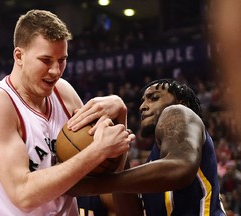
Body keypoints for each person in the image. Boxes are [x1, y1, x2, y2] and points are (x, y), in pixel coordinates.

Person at [0, 9, 134, 215]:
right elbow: (23, 194)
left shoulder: (64, 93)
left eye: (62, 60)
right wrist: (97, 151)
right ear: (19, 56)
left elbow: (106, 174)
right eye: (46, 60)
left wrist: (120, 116)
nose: (56, 70)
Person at [67, 79, 226, 215]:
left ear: (181, 102)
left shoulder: (178, 111)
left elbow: (181, 167)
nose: (143, 106)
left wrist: (92, 185)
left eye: (154, 98)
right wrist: (119, 157)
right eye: (142, 101)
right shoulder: (153, 166)